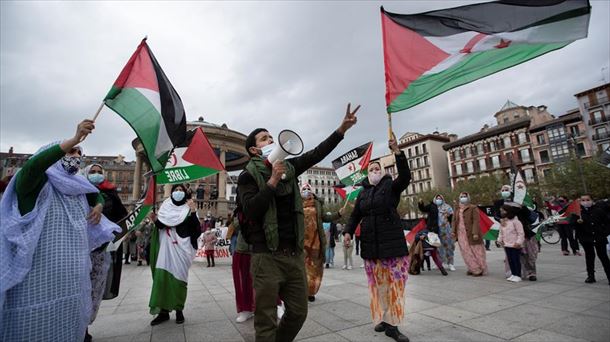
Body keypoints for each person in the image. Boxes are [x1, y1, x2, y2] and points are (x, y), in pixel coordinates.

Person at [237, 103, 358, 342]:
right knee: (266, 320)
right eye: (265, 139)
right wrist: (271, 181)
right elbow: (251, 210)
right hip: (266, 256)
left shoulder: (290, 168)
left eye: (272, 136)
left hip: (293, 255)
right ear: (253, 149)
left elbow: (316, 153)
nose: (271, 140)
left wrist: (341, 130)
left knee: (299, 312)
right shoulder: (247, 176)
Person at [1, 120, 119, 341]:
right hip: (36, 287)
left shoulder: (77, 188)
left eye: (78, 153)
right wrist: (73, 139)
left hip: (71, 287)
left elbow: (96, 193)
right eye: (71, 151)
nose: (76, 156)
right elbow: (34, 167)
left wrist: (99, 204)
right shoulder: (34, 185)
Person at [343, 135, 411, 342]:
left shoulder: (391, 186)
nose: (374, 171)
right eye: (371, 169)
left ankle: (393, 325)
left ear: (383, 171)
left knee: (394, 285)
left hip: (392, 245)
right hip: (371, 246)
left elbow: (406, 177)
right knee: (378, 285)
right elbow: (355, 215)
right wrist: (347, 232)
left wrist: (398, 153)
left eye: (377, 168)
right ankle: (384, 317)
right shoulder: (362, 193)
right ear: (367, 173)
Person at [84, 163, 129, 342]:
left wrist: (114, 234)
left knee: (95, 288)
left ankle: (85, 324)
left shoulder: (110, 193)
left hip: (100, 249)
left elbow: (123, 217)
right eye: (92, 172)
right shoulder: (79, 191)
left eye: (99, 172)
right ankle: (80, 328)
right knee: (80, 287)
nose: (96, 175)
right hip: (79, 247)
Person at [147, 184, 200, 326]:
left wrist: (194, 211)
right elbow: (161, 226)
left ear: (185, 193)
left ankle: (179, 310)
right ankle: (163, 312)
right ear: (171, 193)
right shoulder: (165, 206)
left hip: (182, 250)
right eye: (175, 190)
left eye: (181, 190)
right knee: (161, 280)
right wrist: (155, 219)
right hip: (166, 249)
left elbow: (197, 231)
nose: (178, 192)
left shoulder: (189, 207)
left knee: (180, 281)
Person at [300, 182, 343, 302]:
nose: (306, 190)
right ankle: (302, 291)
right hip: (302, 241)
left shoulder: (317, 203)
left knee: (315, 267)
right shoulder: (296, 203)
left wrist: (338, 214)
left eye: (308, 188)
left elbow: (325, 217)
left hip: (316, 241)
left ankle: (311, 292)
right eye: (304, 188)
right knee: (302, 267)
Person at [494, 184, 538, 281]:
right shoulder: (499, 203)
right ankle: (513, 273)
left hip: (523, 231)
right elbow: (496, 215)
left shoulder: (519, 201)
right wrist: (500, 220)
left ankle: (531, 273)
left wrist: (522, 206)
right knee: (511, 255)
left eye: (507, 189)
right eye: (503, 189)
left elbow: (529, 216)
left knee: (527, 254)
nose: (504, 191)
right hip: (508, 233)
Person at [571, 195, 610, 284]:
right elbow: (572, 224)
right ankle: (591, 276)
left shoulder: (599, 210)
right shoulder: (577, 212)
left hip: (599, 237)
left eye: (588, 200)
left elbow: (607, 223)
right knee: (589, 257)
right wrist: (577, 222)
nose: (586, 201)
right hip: (586, 238)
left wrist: (605, 233)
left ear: (592, 200)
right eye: (583, 200)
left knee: (604, 257)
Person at [451, 192, 487, 276]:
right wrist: (453, 231)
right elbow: (454, 221)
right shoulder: (457, 208)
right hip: (461, 234)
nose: (463, 198)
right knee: (466, 252)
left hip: (472, 233)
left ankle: (481, 268)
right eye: (462, 196)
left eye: (465, 196)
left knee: (477, 251)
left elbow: (476, 221)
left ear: (468, 198)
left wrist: (475, 233)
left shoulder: (473, 208)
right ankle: (474, 268)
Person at [418, 194, 455, 271]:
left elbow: (452, 219)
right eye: (437, 198)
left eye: (440, 198)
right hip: (435, 230)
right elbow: (423, 209)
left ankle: (450, 263)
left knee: (449, 246)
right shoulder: (432, 206)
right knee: (437, 247)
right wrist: (420, 204)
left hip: (446, 230)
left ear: (443, 199)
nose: (439, 200)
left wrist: (453, 229)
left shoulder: (447, 207)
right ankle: (439, 262)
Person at [497, 204, 525, 283]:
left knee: (516, 260)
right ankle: (513, 274)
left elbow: (521, 233)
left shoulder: (516, 222)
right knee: (510, 260)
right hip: (507, 244)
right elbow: (501, 232)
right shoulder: (503, 222)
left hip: (515, 245)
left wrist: (518, 242)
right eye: (501, 211)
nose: (502, 212)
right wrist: (499, 240)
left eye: (503, 210)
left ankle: (518, 275)